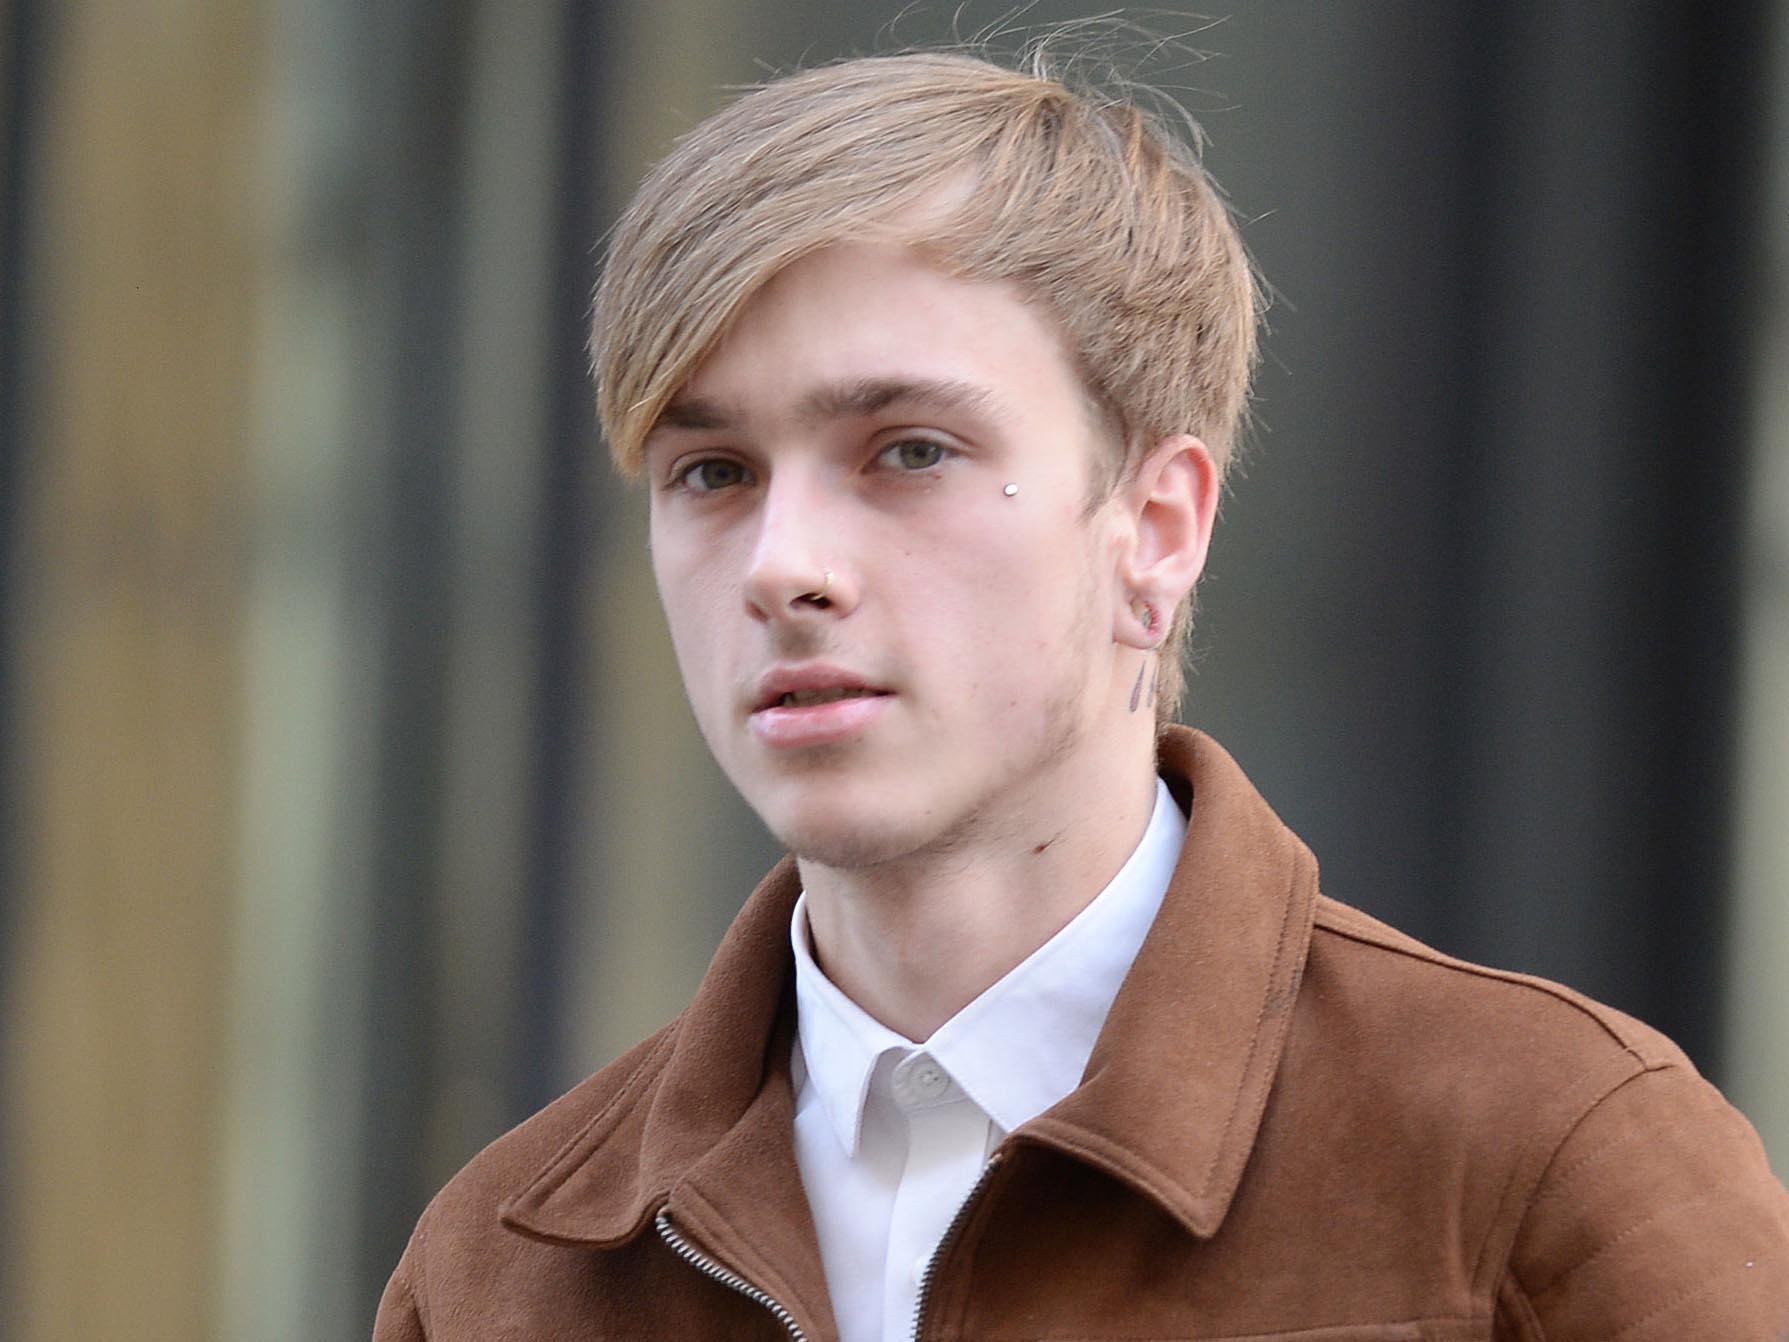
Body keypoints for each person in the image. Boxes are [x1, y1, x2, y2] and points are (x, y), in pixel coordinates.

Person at [374, 47, 1789, 1341]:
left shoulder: (1541, 1158)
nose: (781, 565)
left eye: (908, 451)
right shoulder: (510, 1266)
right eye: (712, 473)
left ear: (1156, 528)